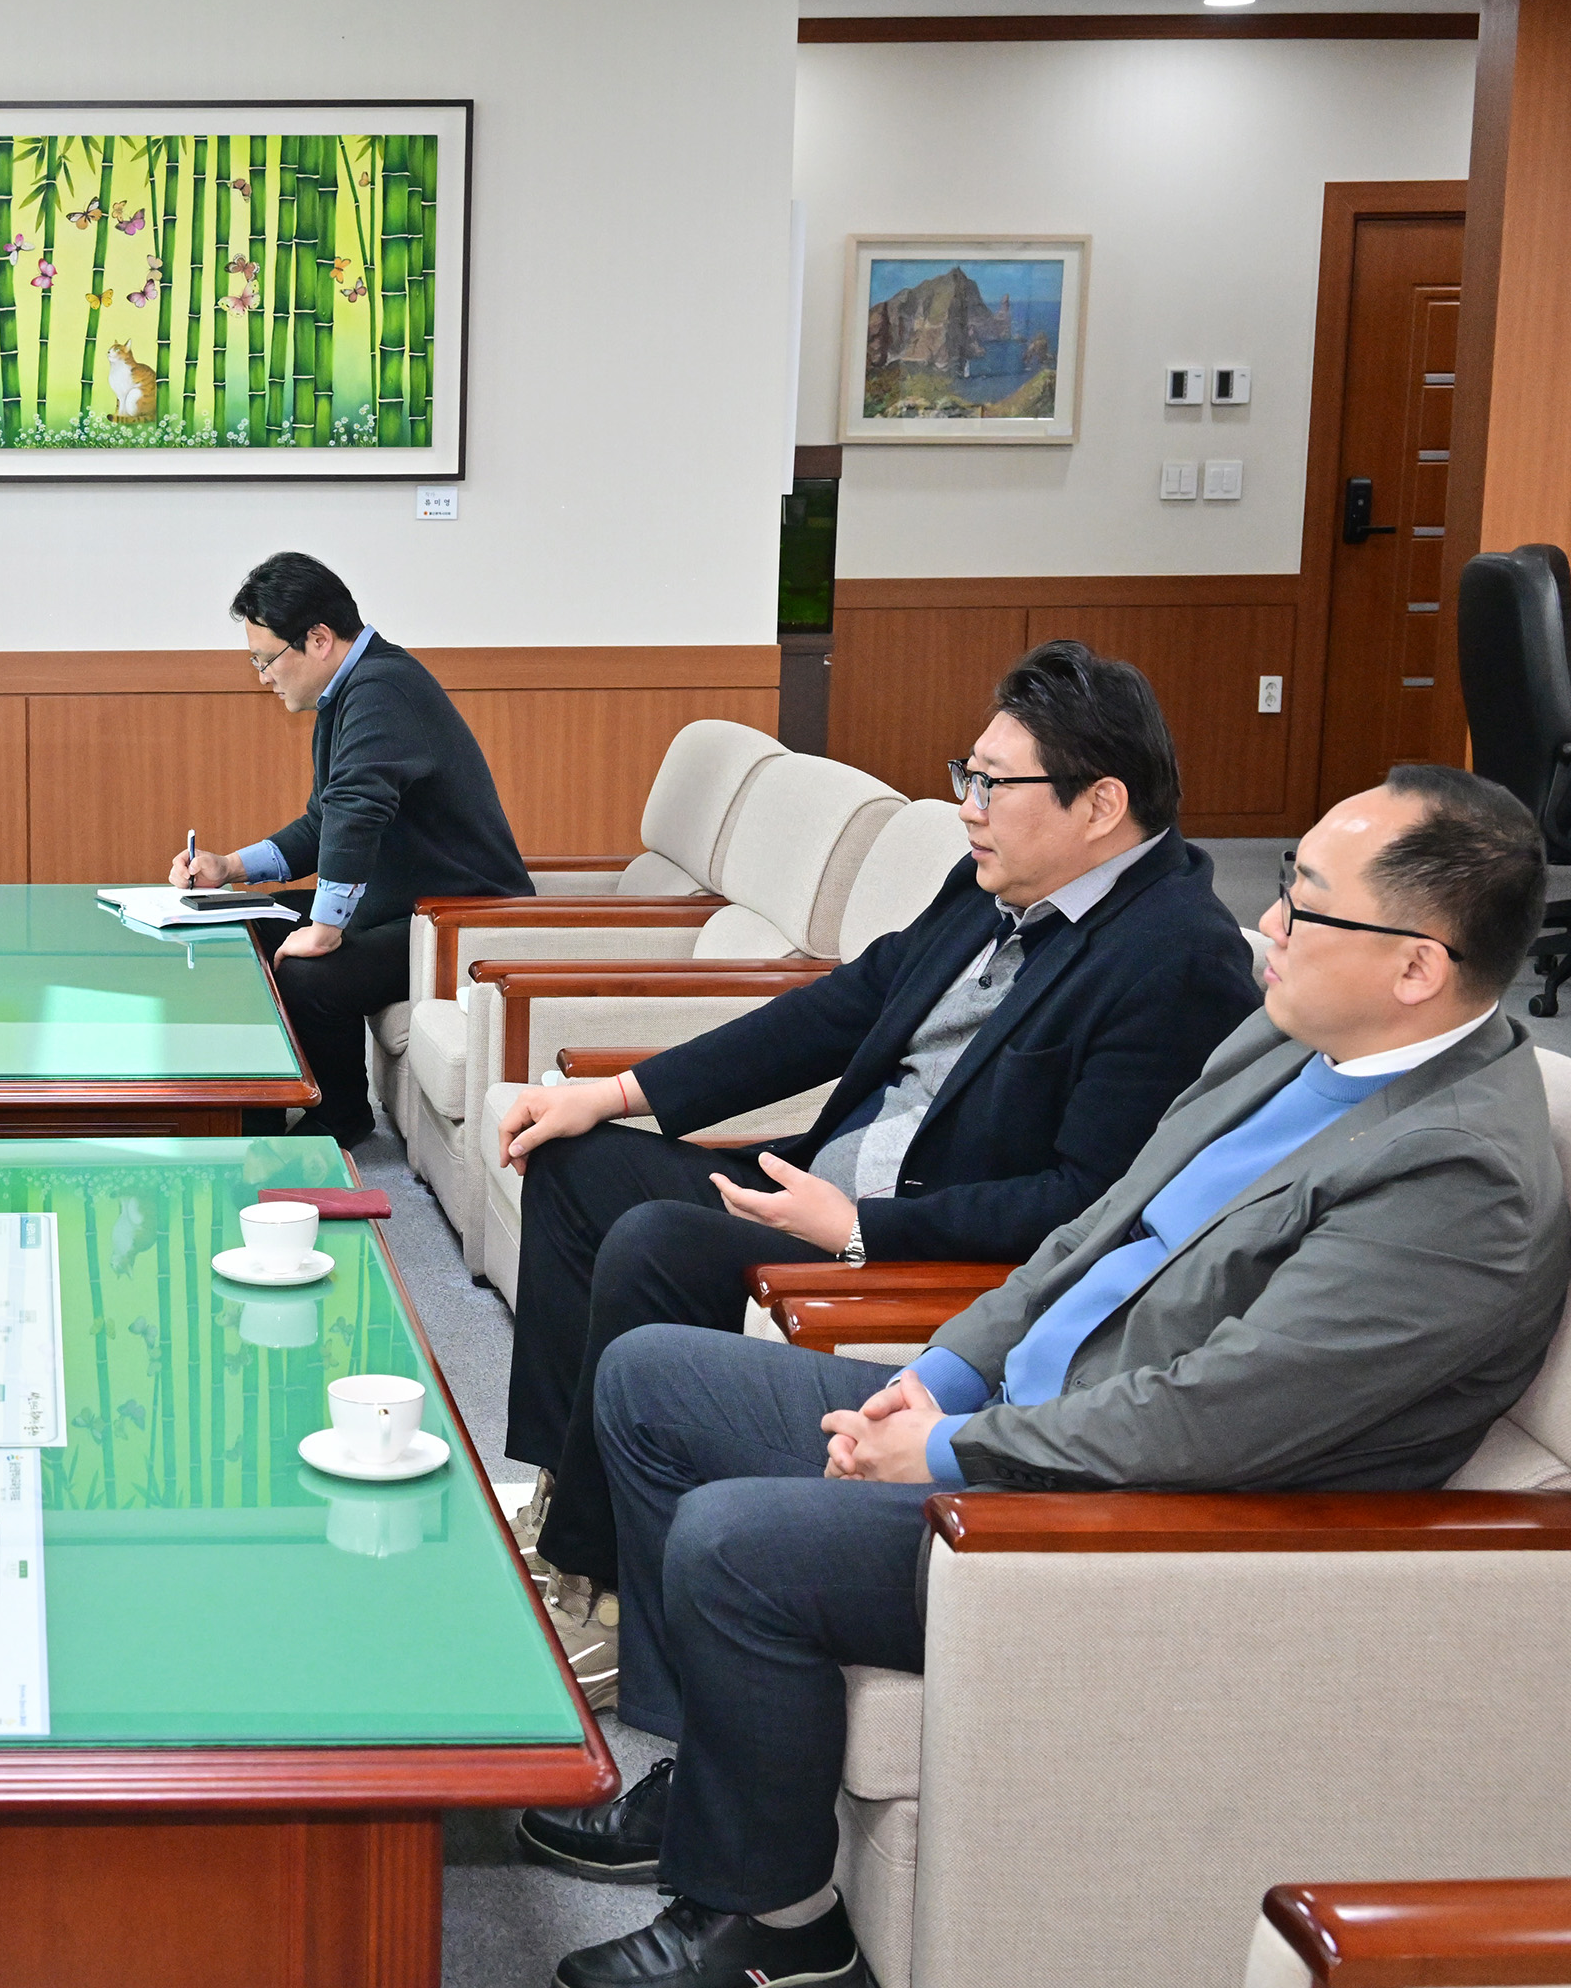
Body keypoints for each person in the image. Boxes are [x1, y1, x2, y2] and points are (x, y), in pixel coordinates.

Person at [521, 764, 1569, 1988]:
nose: (1267, 924)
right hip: (1029, 1412)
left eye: (1307, 904)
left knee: (734, 1539)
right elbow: (1100, 1227)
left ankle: (774, 1923)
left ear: (1416, 966)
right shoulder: (1296, 1038)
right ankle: (716, 1776)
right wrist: (951, 1374)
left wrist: (957, 1453)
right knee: (651, 1379)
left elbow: (1217, 1414)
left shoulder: (1456, 1175)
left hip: (1137, 1511)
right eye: (1285, 887)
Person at [493, 642, 1259, 1694]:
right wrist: (618, 1092)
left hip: (908, 1246)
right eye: (967, 775)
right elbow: (844, 1007)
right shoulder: (989, 881)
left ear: (1100, 804)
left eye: (995, 783)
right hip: (823, 1193)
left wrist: (858, 1229)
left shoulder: (1177, 956)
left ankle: (603, 1571)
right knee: (576, 1160)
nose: (967, 806)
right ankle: (563, 1502)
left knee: (658, 1238)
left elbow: (1088, 1203)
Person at [171, 551, 531, 1146]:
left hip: (461, 917)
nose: (263, 675)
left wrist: (325, 925)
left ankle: (340, 1118)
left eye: (266, 658)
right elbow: (325, 823)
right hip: (399, 903)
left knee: (313, 976)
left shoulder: (383, 689)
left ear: (317, 639)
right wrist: (230, 868)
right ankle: (252, 1111)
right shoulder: (350, 691)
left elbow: (357, 813)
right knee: (238, 928)